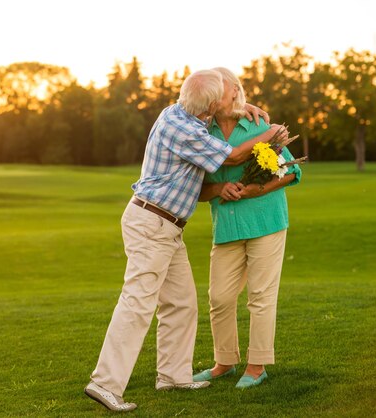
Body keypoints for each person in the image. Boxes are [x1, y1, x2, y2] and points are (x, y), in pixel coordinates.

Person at [84, 69, 287, 412]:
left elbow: (218, 110)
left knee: (182, 303)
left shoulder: (178, 113)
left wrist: (240, 104)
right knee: (138, 302)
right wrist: (271, 133)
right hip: (152, 223)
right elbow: (233, 157)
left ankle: (173, 375)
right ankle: (105, 383)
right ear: (209, 105)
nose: (231, 97)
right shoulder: (185, 130)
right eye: (226, 94)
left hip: (168, 226)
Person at [194, 67, 302, 389]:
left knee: (260, 296)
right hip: (226, 226)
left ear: (235, 91)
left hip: (265, 221)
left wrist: (257, 189)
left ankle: (256, 367)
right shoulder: (203, 132)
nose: (219, 96)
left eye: (223, 90)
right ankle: (224, 362)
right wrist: (217, 190)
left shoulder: (258, 125)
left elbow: (290, 172)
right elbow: (196, 189)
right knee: (220, 297)